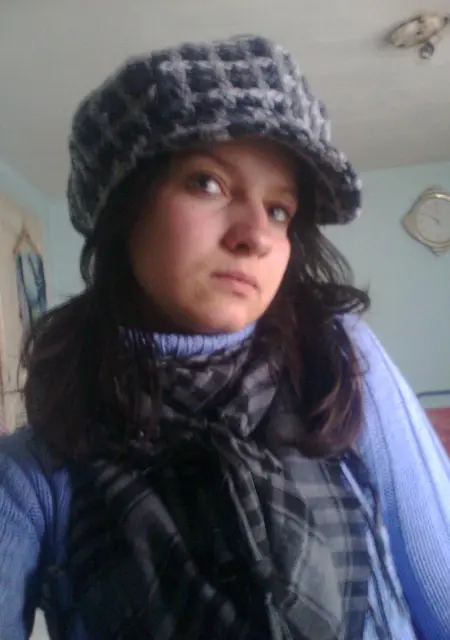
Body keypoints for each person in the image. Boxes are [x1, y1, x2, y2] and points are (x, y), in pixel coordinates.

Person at [0, 34, 448, 640]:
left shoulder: (335, 358)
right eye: (207, 183)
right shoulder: (37, 470)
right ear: (123, 209)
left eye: (280, 210)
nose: (256, 236)